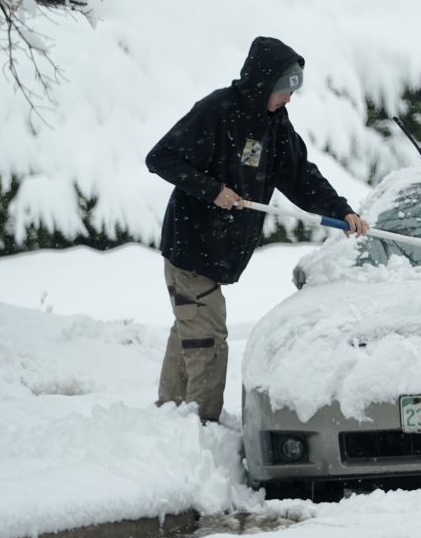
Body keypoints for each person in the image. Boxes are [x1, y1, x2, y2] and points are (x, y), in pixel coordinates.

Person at [146, 36, 369, 424]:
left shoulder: (274, 125)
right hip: (191, 247)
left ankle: (171, 418)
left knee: (190, 329)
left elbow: (301, 176)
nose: (288, 99)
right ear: (263, 83)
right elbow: (160, 158)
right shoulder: (217, 111)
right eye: (284, 91)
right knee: (207, 340)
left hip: (218, 252)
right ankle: (200, 425)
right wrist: (212, 191)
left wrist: (341, 211)